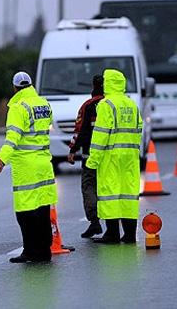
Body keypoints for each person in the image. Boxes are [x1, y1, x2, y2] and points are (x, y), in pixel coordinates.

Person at [0, 71, 58, 263]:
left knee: (25, 212)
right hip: (44, 162)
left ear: (14, 88)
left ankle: (30, 251)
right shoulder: (43, 103)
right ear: (30, 84)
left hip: (26, 166)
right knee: (43, 209)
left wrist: (2, 158)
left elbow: (13, 137)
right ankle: (45, 251)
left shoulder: (18, 107)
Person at [87, 69, 142, 244]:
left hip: (110, 156)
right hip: (130, 157)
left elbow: (100, 135)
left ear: (108, 84)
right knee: (128, 194)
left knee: (110, 193)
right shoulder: (131, 104)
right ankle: (130, 234)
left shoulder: (106, 105)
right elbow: (139, 129)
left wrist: (93, 160)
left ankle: (112, 233)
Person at [67, 74, 104, 238]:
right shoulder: (113, 105)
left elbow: (79, 131)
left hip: (90, 156)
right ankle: (114, 226)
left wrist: (72, 150)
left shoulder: (88, 106)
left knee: (89, 187)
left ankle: (94, 222)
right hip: (112, 157)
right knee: (110, 189)